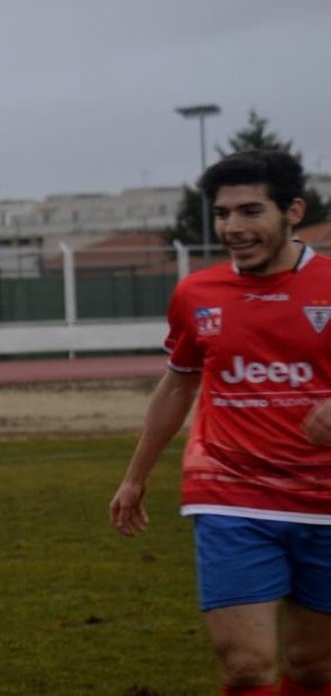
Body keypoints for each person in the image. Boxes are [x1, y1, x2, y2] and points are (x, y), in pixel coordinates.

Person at [109, 150, 331, 696]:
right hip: (230, 494)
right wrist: (136, 477)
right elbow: (178, 382)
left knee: (313, 667)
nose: (233, 228)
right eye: (223, 214)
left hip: (324, 499)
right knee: (245, 667)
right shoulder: (196, 294)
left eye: (251, 212)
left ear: (292, 211)